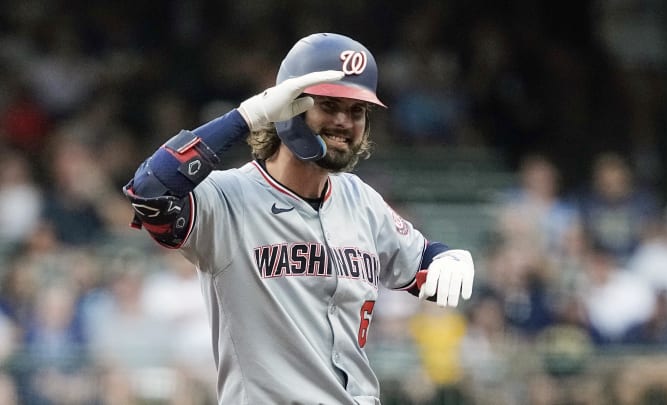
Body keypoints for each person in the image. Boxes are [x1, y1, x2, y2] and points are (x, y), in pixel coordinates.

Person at [122, 33, 475, 404]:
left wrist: (444, 256)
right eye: (329, 105)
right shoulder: (227, 198)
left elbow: (423, 266)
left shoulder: (361, 200)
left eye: (356, 111)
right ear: (288, 107)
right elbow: (148, 191)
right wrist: (247, 117)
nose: (344, 121)